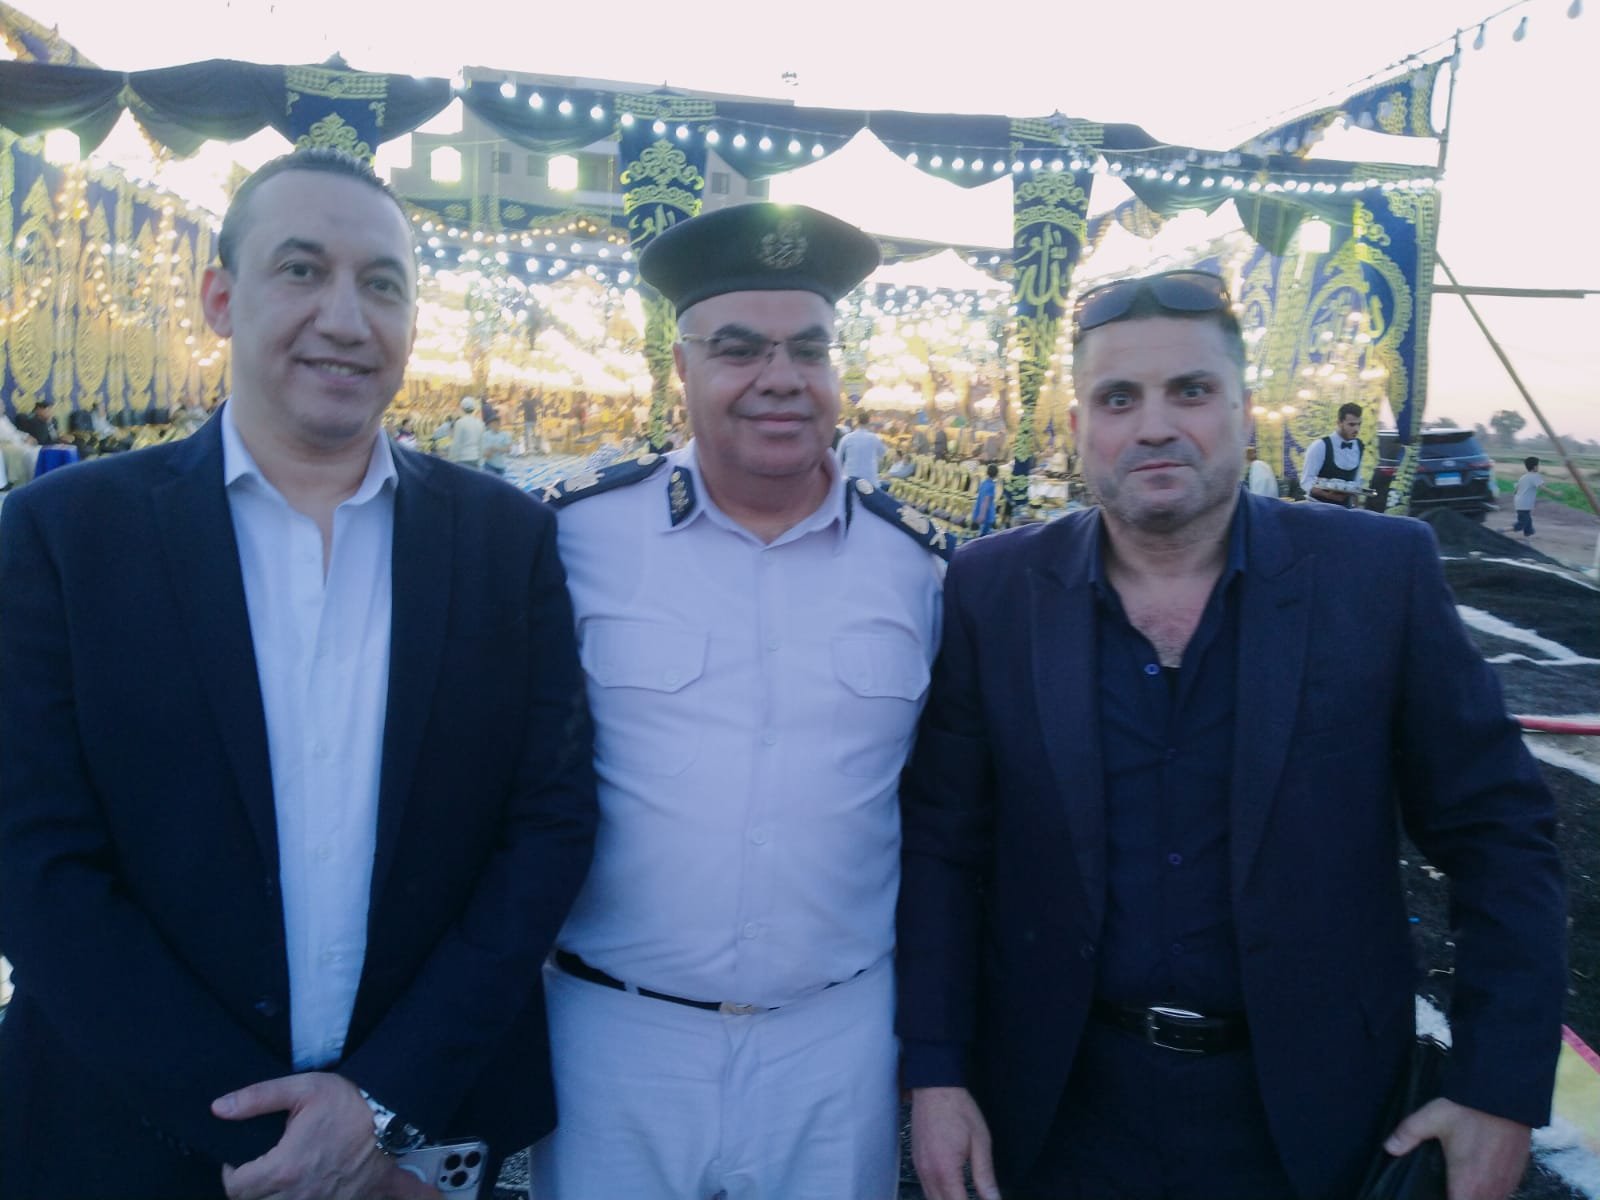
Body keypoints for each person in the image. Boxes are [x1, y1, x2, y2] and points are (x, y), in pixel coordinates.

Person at [0, 148, 598, 1200]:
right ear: (220, 299)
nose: (346, 318)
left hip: (410, 1148)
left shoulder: (503, 542)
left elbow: (545, 827)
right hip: (129, 1135)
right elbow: (32, 856)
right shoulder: (64, 536)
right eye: (301, 270)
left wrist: (379, 1107)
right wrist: (272, 1136)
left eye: (383, 284)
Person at [897, 267, 1566, 1200]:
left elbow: (1499, 834)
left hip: (1317, 1120)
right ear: (1078, 426)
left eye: (1191, 391)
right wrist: (935, 1070)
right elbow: (943, 846)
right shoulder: (995, 589)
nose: (1154, 426)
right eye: (1118, 398)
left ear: (1246, 413)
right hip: (1056, 1113)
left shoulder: (1375, 577)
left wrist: (1497, 1089)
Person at [532, 202, 950, 1200]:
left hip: (834, 1040)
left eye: (809, 348)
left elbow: (944, 810)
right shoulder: (576, 540)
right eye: (738, 348)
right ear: (681, 368)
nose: (780, 377)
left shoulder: (918, 567)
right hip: (616, 1037)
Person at [1301, 400, 1366, 506]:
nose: (1356, 429)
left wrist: (1356, 507)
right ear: (1339, 423)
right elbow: (1306, 481)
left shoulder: (1359, 446)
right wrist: (1328, 495)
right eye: (1351, 425)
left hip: (1345, 509)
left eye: (1359, 424)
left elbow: (1356, 479)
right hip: (1318, 506)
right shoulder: (1320, 446)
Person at [837, 408, 887, 482]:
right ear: (868, 422)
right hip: (869, 477)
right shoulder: (874, 438)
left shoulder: (847, 438)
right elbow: (883, 453)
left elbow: (838, 458)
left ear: (857, 422)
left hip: (849, 476)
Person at [447, 395, 485, 469]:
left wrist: (451, 460)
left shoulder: (460, 423)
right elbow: (481, 444)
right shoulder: (480, 423)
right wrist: (481, 461)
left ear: (462, 408)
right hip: (475, 458)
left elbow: (456, 443)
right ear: (474, 409)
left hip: (463, 459)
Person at [1512, 455, 1544, 537]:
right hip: (1524, 505)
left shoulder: (1523, 477)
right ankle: (1501, 531)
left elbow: (1515, 491)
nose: (1538, 467)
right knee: (1521, 524)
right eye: (1538, 465)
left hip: (1519, 503)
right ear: (1534, 467)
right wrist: (1555, 493)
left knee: (1528, 525)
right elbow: (1542, 488)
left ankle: (1527, 540)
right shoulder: (1535, 476)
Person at [971, 463, 1000, 535]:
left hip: (979, 511)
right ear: (996, 474)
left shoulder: (983, 483)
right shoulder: (991, 486)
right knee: (984, 536)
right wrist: (982, 515)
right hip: (986, 515)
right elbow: (986, 501)